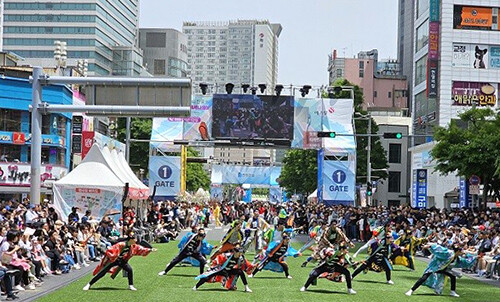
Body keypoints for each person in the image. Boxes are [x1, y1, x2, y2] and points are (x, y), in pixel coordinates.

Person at [83, 230, 156, 291]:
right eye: (135, 239)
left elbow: (140, 249)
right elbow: (110, 250)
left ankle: (131, 285)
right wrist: (113, 256)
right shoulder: (121, 244)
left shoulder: (133, 246)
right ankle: (89, 284)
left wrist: (150, 249)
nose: (136, 240)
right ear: (131, 239)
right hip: (114, 260)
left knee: (129, 270)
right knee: (102, 272)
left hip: (122, 260)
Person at [405, 243, 473, 297]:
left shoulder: (457, 258)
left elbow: (465, 261)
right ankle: (411, 290)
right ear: (458, 251)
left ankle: (452, 292)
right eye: (461, 252)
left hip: (442, 269)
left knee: (452, 277)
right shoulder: (449, 253)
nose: (462, 253)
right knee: (424, 278)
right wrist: (429, 246)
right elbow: (439, 249)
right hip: (435, 266)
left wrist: (475, 257)